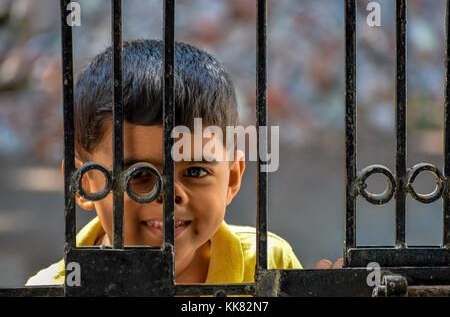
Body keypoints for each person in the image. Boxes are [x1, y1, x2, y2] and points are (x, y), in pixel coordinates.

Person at [26, 39, 338, 287]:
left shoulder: (266, 262)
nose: (170, 193)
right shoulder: (55, 288)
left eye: (196, 171)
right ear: (84, 184)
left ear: (231, 179)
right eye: (139, 174)